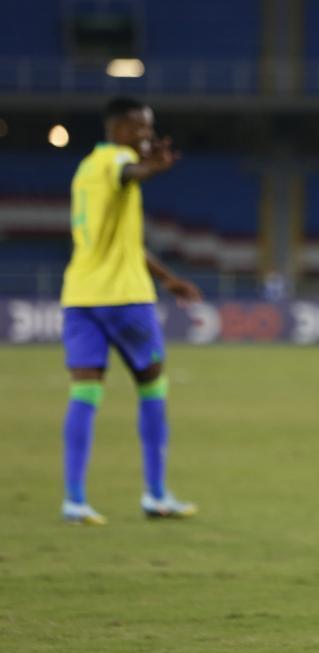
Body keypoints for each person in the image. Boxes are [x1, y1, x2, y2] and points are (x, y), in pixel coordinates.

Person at [60, 97, 202, 525]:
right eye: (140, 127)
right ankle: (156, 494)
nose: (146, 135)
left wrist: (167, 277)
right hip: (125, 301)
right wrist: (150, 168)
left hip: (80, 298)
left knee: (84, 394)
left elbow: (125, 243)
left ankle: (74, 499)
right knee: (153, 390)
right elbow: (128, 173)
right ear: (119, 128)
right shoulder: (118, 161)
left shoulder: (84, 170)